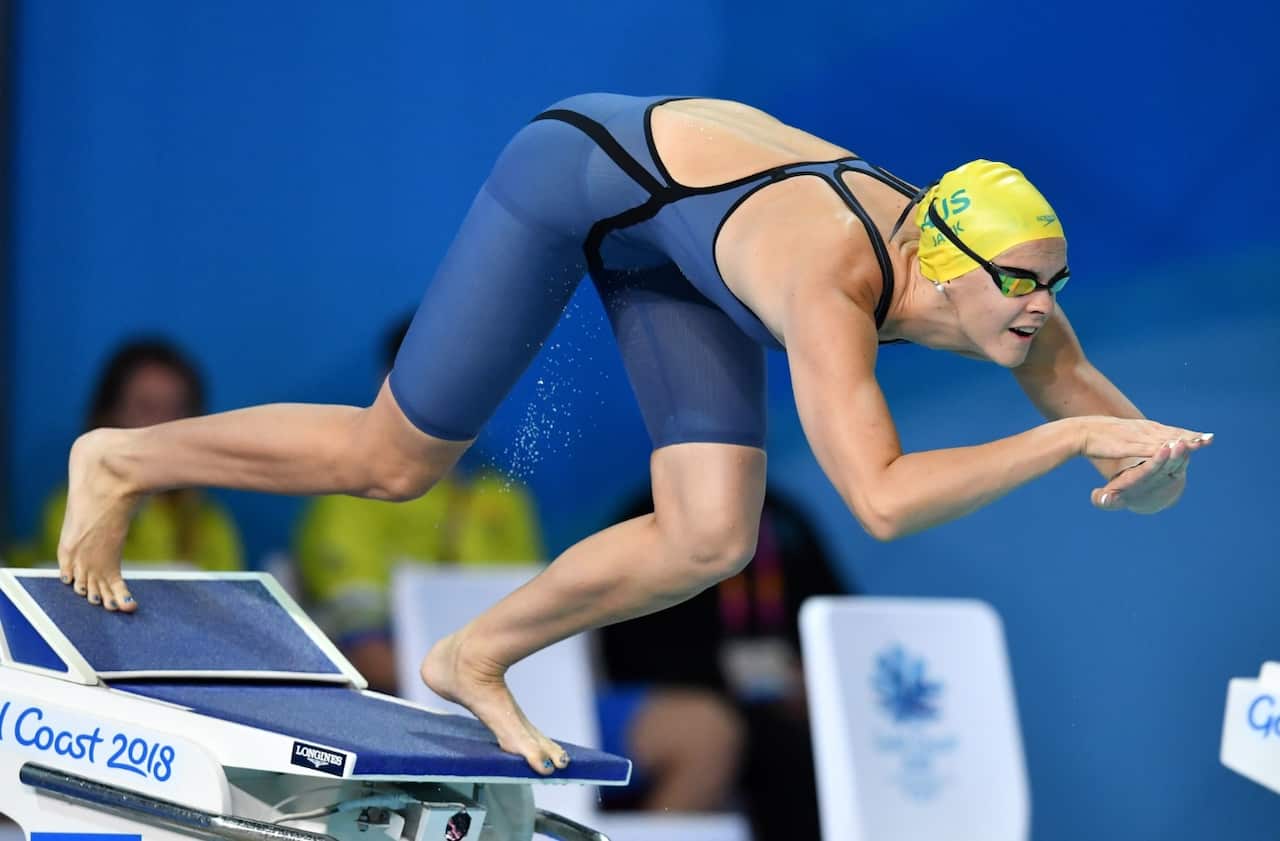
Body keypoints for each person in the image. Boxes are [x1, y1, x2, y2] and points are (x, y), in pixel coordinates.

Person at [54, 94, 1211, 776]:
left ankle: (475, 654)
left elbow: (1123, 443)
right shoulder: (827, 284)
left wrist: (1138, 469)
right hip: (587, 172)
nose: (1038, 308)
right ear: (939, 268)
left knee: (712, 533)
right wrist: (1063, 449)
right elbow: (883, 500)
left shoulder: (1016, 299)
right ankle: (121, 457)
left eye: (1052, 285)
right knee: (393, 461)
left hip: (690, 239)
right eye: (1018, 283)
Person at [293, 317, 545, 694]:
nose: (460, 393)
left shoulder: (505, 495)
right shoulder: (350, 495)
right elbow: (369, 657)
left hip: (513, 691)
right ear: (388, 385)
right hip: (402, 703)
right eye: (438, 375)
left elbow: (545, 635)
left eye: (476, 377)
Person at [598, 488, 843, 837]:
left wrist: (812, 673)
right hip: (696, 693)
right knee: (722, 733)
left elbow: (835, 613)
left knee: (810, 739)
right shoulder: (648, 516)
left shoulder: (782, 520)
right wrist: (721, 679)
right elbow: (624, 643)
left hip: (784, 706)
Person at [12, 338, 242, 572]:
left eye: (177, 410)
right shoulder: (69, 509)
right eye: (146, 408)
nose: (165, 425)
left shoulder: (213, 524)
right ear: (108, 417)